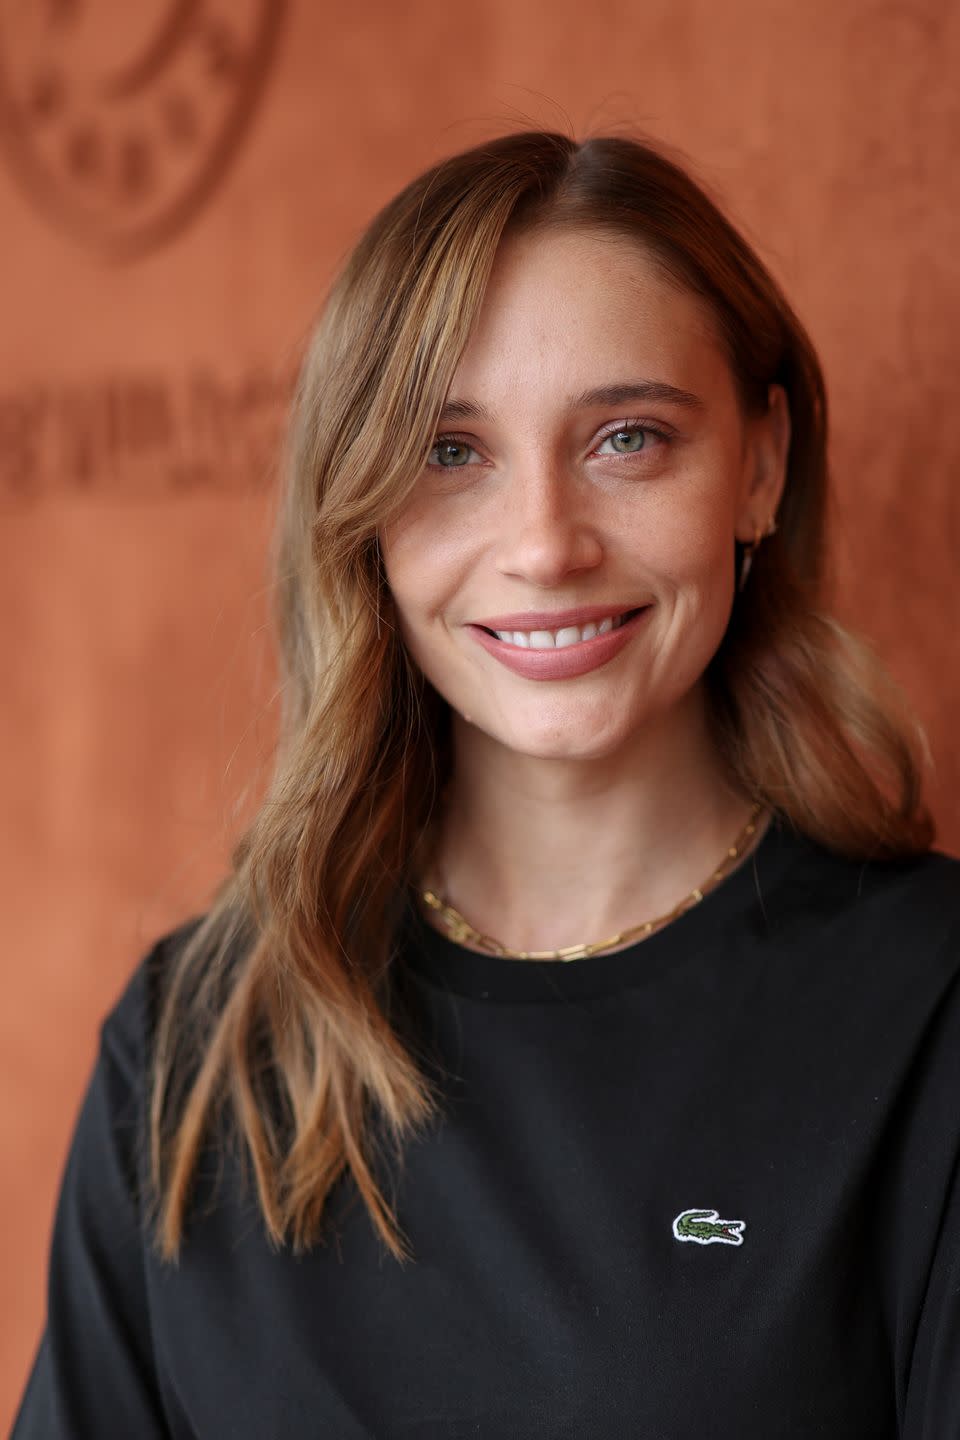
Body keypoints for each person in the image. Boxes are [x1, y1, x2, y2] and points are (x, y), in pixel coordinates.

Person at [12, 129, 960, 1439]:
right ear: (363, 514)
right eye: (450, 453)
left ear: (759, 463)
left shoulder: (930, 1009)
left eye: (628, 437)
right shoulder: (194, 1043)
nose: (545, 546)